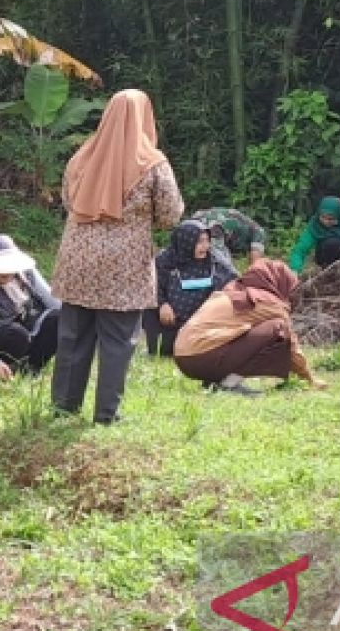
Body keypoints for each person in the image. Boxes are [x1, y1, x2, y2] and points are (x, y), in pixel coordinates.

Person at [50, 88, 185, 423]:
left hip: (77, 261)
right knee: (117, 341)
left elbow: (68, 201)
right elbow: (171, 215)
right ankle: (106, 415)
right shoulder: (153, 164)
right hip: (123, 268)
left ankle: (63, 408)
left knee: (73, 337)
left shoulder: (81, 157)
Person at [173, 259, 325, 395]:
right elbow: (291, 344)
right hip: (201, 355)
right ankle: (229, 383)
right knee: (279, 328)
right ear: (279, 282)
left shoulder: (231, 290)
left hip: (182, 358)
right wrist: (310, 378)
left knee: (250, 333)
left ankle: (215, 380)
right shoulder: (268, 302)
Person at [0, 234, 60, 379]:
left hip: (26, 320)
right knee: (16, 335)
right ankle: (1, 370)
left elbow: (49, 297)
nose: (5, 275)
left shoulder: (24, 272)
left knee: (58, 319)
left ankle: (30, 369)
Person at [142, 220, 238, 356]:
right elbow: (149, 286)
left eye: (207, 241)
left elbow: (234, 282)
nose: (205, 246)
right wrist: (162, 304)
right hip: (170, 322)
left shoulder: (214, 260)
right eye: (199, 242)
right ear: (186, 242)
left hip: (202, 323)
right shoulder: (165, 260)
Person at [191, 207, 268, 264]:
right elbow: (255, 263)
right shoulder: (259, 233)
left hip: (196, 219)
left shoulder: (245, 224)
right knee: (224, 266)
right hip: (215, 226)